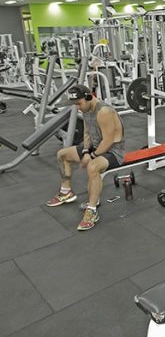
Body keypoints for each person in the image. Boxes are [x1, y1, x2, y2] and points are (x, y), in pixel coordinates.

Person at [46, 84, 126, 230]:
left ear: (89, 97)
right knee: (62, 155)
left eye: (79, 103)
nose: (77, 108)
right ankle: (66, 192)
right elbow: (87, 132)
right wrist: (85, 152)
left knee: (92, 167)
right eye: (75, 104)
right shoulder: (86, 109)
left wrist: (92, 156)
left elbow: (108, 141)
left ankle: (92, 210)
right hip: (95, 146)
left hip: (113, 151)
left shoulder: (104, 111)